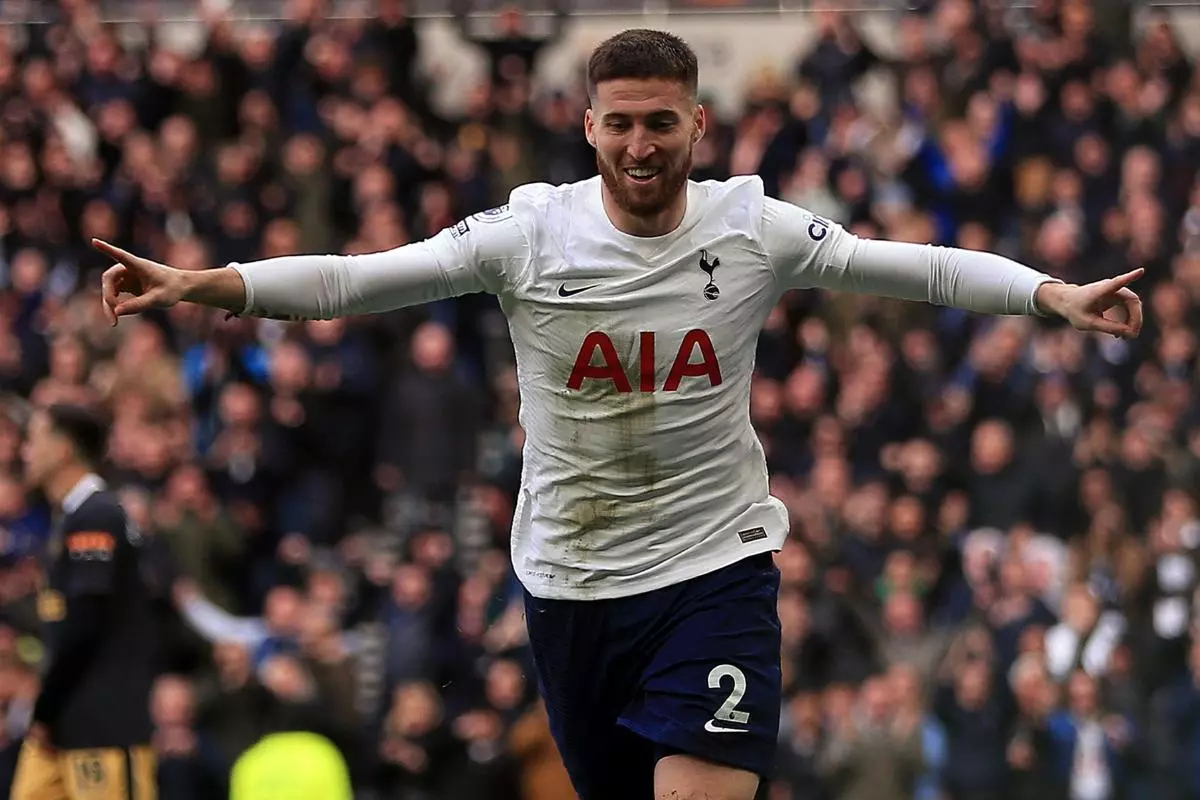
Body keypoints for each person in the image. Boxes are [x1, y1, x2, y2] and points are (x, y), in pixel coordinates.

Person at [91, 28, 1143, 800]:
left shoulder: (753, 226)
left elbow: (905, 267)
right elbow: (353, 280)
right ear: (589, 125)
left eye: (662, 122)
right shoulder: (528, 235)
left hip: (716, 570)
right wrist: (204, 283)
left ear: (699, 121)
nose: (643, 145)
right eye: (623, 123)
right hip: (572, 580)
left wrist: (1049, 294)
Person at [12, 404, 158, 800]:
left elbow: (85, 623)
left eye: (34, 440)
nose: (23, 451)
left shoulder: (98, 515)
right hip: (62, 723)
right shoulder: (71, 518)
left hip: (101, 726)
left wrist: (44, 706)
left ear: (63, 450)